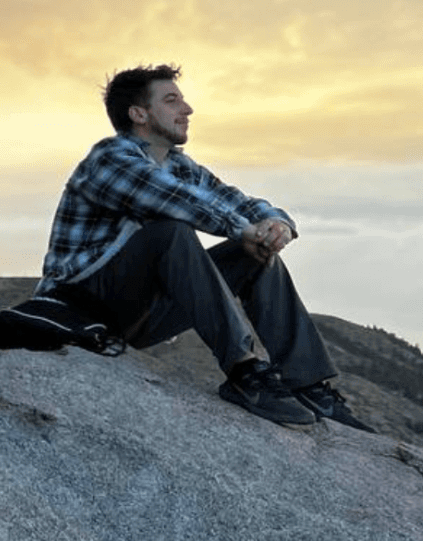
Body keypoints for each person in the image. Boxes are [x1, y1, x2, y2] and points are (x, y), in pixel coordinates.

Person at [37, 64, 371, 431]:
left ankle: (308, 384)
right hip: (80, 303)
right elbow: (173, 200)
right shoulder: (109, 158)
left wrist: (275, 225)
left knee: (254, 254)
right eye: (171, 100)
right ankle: (244, 372)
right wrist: (243, 229)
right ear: (138, 114)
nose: (187, 109)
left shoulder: (179, 166)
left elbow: (230, 198)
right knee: (170, 231)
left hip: (138, 314)